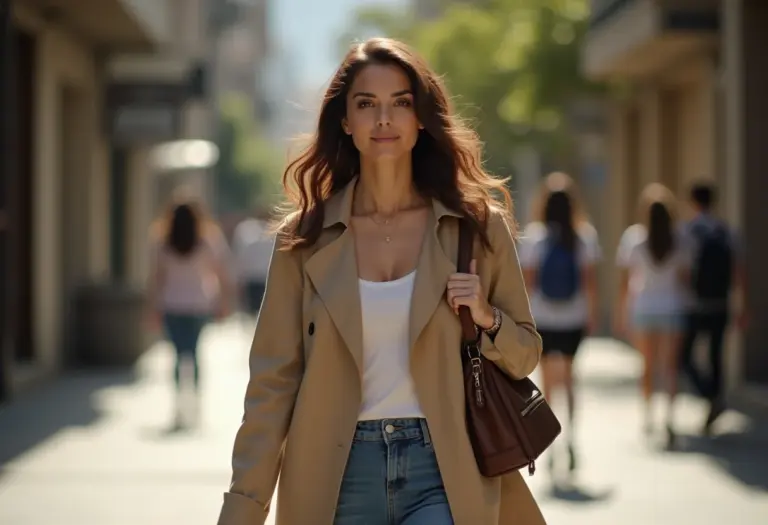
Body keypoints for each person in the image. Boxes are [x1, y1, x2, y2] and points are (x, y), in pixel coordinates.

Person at [217, 38, 545, 525]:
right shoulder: (303, 239)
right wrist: (243, 508)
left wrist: (486, 316)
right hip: (335, 472)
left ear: (420, 119)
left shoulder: (476, 227)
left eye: (401, 103)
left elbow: (526, 355)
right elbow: (272, 385)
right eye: (367, 104)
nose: (384, 119)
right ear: (346, 122)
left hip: (444, 469)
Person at [519, 172, 600, 476]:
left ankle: (550, 445)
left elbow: (528, 284)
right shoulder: (585, 236)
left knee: (548, 383)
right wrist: (591, 315)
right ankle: (572, 440)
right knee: (569, 378)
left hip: (543, 318)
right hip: (573, 317)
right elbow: (589, 282)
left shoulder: (535, 237)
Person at [146, 193, 233, 428]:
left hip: (172, 305)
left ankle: (178, 406)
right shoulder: (207, 241)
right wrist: (223, 303)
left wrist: (153, 310)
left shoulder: (163, 243)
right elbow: (221, 274)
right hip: (198, 305)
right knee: (194, 355)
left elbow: (157, 279)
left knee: (176, 356)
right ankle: (194, 404)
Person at [616, 183, 689, 448]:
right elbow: (685, 277)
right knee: (670, 368)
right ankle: (670, 418)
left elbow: (626, 283)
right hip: (673, 308)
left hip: (644, 309)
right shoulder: (680, 239)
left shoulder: (634, 239)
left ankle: (648, 416)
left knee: (646, 367)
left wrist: (622, 314)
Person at [679, 181, 747, 435]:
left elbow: (684, 271)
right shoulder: (726, 231)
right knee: (715, 355)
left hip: (695, 304)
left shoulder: (688, 231)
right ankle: (715, 399)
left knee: (685, 357)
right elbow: (740, 272)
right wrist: (742, 305)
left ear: (693, 202)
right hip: (720, 303)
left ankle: (710, 396)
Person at [232, 214, 275, 317]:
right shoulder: (270, 233)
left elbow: (242, 258)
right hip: (260, 279)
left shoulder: (248, 232)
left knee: (257, 314)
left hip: (259, 280)